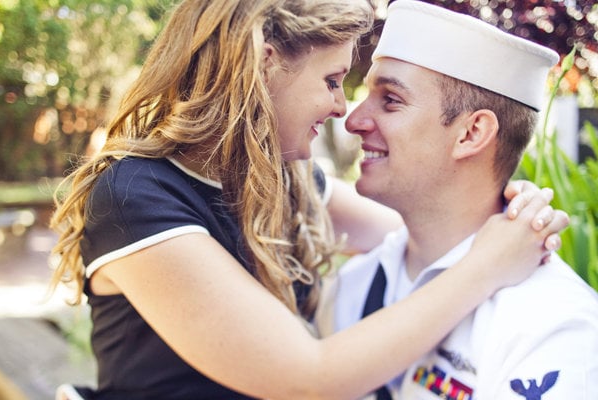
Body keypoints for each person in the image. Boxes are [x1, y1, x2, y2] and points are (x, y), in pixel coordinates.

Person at [49, 0, 569, 399]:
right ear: (265, 65)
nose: (344, 109)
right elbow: (308, 377)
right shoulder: (136, 197)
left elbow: (430, 228)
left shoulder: (287, 183)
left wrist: (509, 209)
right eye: (333, 81)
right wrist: (486, 265)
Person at [315, 1, 598, 399]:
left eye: (391, 99)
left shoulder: (550, 321)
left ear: (471, 134)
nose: (354, 120)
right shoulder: (355, 284)